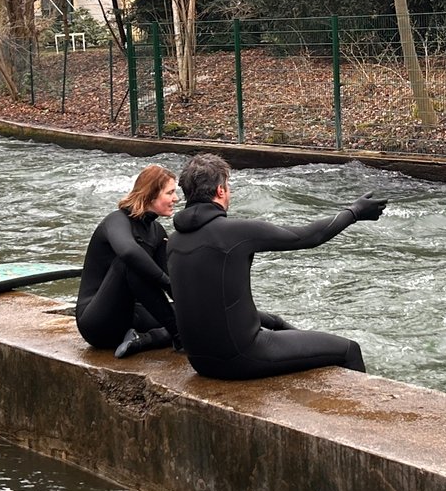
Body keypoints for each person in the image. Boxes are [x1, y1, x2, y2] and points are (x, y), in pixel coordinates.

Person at [166, 153, 387, 380]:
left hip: (201, 362)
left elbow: (211, 305)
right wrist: (354, 212)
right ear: (220, 190)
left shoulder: (173, 241)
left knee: (282, 327)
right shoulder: (233, 232)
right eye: (228, 186)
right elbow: (307, 237)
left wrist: (276, 322)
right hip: (241, 356)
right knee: (349, 349)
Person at [75, 165, 178, 359]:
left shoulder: (157, 232)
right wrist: (167, 283)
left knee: (195, 318)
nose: (176, 199)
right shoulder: (116, 221)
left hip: (131, 318)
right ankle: (178, 335)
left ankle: (146, 340)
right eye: (170, 192)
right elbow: (129, 252)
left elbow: (172, 281)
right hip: (96, 322)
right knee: (129, 263)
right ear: (150, 194)